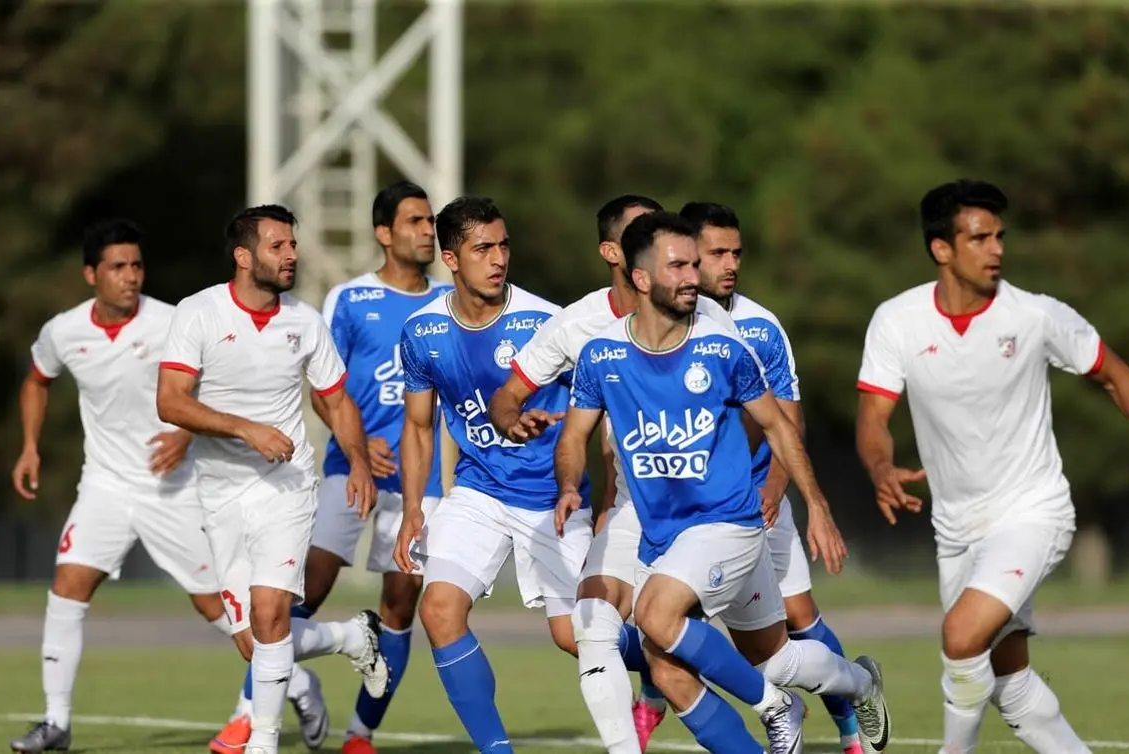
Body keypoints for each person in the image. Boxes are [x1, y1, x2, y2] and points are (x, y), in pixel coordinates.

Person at [854, 179, 1129, 754]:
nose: (997, 249)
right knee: (1009, 683)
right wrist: (881, 466)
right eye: (980, 238)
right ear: (942, 249)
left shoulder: (1035, 316)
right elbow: (874, 416)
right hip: (956, 528)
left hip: (1032, 512)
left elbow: (1116, 376)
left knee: (961, 637)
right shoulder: (897, 320)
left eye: (1000, 236)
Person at [555, 211, 892, 754]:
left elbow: (780, 426)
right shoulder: (603, 355)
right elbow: (573, 438)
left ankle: (771, 705)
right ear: (640, 279)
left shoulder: (722, 347)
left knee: (655, 616)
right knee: (718, 666)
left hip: (730, 522)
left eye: (695, 263)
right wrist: (570, 485)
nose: (693, 276)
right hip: (663, 535)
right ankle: (860, 682)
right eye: (678, 265)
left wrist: (818, 506)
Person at [487, 194, 739, 753]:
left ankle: (824, 693)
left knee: (776, 650)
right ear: (613, 251)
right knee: (592, 622)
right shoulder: (578, 324)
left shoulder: (707, 316)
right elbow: (508, 397)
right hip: (631, 507)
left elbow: (765, 411)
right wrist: (515, 424)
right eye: (640, 231)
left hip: (715, 510)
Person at [216, 182, 453, 754]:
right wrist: (357, 447)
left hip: (421, 487)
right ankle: (249, 714)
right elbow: (327, 386)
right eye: (415, 221)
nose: (428, 231)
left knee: (401, 607)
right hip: (346, 473)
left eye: (431, 222)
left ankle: (361, 735)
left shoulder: (448, 305)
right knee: (299, 594)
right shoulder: (349, 299)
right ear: (383, 232)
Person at [156, 204, 391, 754]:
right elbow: (170, 402)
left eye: (292, 244)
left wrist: (356, 459)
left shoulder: (304, 321)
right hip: (218, 491)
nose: (291, 255)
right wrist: (245, 429)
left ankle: (262, 743)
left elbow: (336, 398)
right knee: (255, 641)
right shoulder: (199, 313)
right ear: (244, 257)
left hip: (286, 487)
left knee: (270, 615)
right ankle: (350, 636)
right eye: (277, 246)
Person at [8, 220, 233, 754]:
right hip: (105, 487)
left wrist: (185, 431)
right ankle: (56, 723)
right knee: (67, 588)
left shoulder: (172, 320)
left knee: (218, 609)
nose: (130, 277)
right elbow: (37, 379)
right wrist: (30, 446)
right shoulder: (64, 331)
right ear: (92, 274)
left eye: (136, 265)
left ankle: (296, 683)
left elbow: (219, 379)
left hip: (171, 489)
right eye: (117, 267)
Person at [391, 196, 594, 754]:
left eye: (503, 245)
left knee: (580, 637)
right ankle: (495, 750)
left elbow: (602, 405)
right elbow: (419, 427)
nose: (499, 258)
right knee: (437, 609)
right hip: (478, 490)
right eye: (483, 248)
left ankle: (667, 660)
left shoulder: (547, 322)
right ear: (451, 259)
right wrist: (414, 509)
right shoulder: (421, 331)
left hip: (554, 497)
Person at [679, 201, 862, 754]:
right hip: (693, 510)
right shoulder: (665, 323)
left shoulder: (759, 325)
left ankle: (852, 721)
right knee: (662, 623)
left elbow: (789, 419)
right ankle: (661, 703)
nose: (730, 263)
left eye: (736, 252)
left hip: (761, 501)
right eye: (717, 252)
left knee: (798, 623)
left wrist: (776, 491)